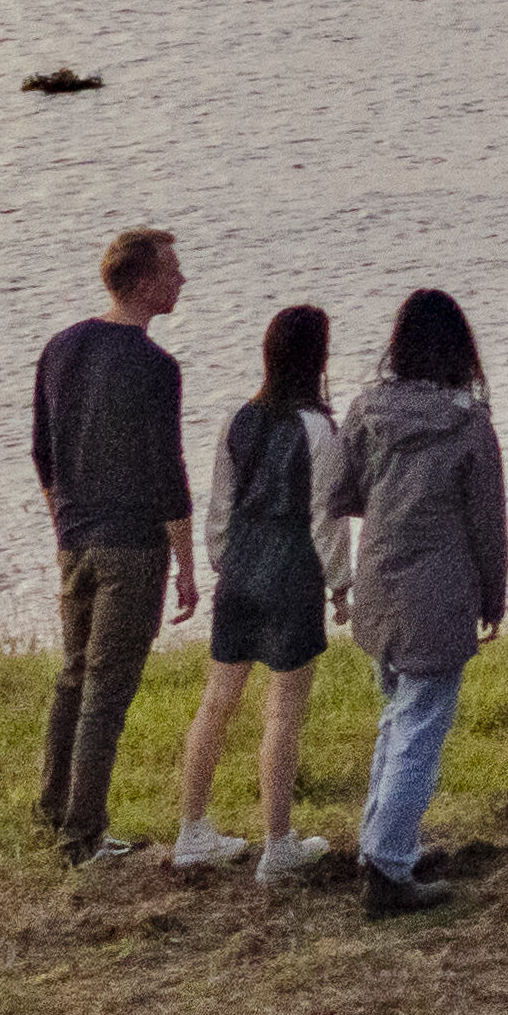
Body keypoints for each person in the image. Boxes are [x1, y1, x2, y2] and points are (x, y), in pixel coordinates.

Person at [327, 288, 508, 917]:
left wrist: (388, 497)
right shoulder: (468, 422)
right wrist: (494, 596)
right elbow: (487, 520)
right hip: (439, 587)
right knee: (420, 727)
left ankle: (385, 844)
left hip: (377, 581)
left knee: (395, 719)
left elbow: (338, 494)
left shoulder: (366, 409)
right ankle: (386, 865)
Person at [26, 226, 193, 857]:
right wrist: (185, 565)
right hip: (131, 547)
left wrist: (62, 527)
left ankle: (54, 805)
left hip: (75, 540)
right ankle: (84, 836)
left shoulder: (61, 348)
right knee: (107, 690)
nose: (182, 280)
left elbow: (43, 453)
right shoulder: (155, 367)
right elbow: (167, 471)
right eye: (173, 270)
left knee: (72, 677)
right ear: (145, 281)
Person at [158, 300, 338, 879]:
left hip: (239, 571)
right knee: (282, 713)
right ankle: (277, 844)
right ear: (318, 358)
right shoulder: (317, 427)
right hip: (293, 572)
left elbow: (220, 507)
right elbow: (324, 517)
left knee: (217, 700)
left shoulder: (237, 418)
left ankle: (191, 830)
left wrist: (221, 562)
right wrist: (340, 584)